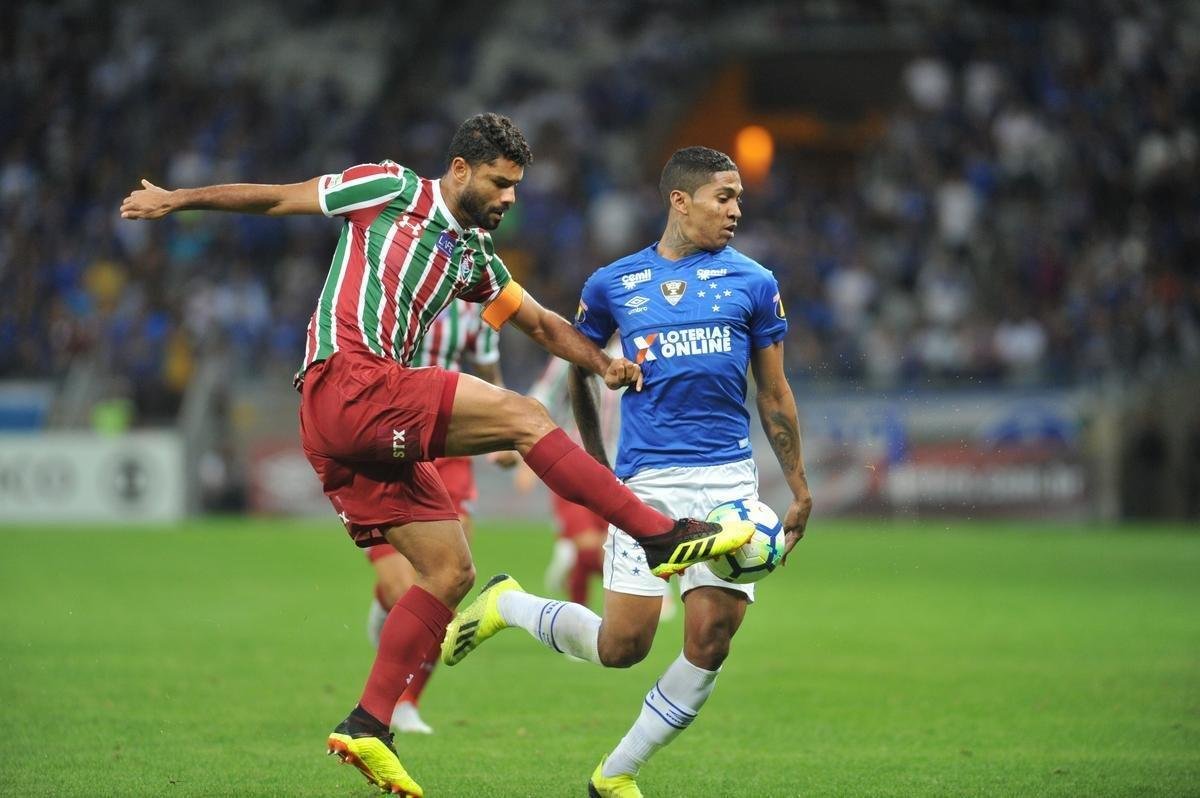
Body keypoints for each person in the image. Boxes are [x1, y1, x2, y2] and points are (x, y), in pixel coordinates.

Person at [120, 114, 755, 797]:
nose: (510, 198)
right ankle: (659, 534)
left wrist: (601, 363)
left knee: (451, 570)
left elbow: (539, 323)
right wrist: (177, 200)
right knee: (526, 417)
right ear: (460, 170)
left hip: (353, 423)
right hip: (349, 379)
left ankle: (368, 725)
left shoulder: (473, 256)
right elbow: (280, 199)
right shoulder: (387, 189)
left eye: (516, 186)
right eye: (500, 183)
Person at [441, 146, 813, 798]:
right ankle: (510, 604)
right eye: (724, 198)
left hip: (728, 481)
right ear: (680, 200)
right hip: (647, 484)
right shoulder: (614, 284)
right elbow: (580, 367)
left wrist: (800, 486)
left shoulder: (755, 282)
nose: (735, 210)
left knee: (712, 638)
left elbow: (774, 392)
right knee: (623, 646)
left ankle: (616, 772)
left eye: (739, 200)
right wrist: (597, 466)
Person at [364, 298, 519, 735]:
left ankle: (407, 702)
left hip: (444, 446)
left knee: (449, 579)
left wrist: (506, 430)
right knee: (400, 589)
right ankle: (385, 603)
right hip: (386, 443)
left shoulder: (476, 302)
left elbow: (487, 369)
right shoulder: (384, 294)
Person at [522, 351, 677, 621]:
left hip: (623, 470)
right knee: (587, 546)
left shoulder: (640, 350)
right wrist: (525, 451)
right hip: (573, 462)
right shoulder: (573, 348)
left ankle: (571, 566)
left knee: (607, 549)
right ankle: (577, 617)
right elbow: (543, 395)